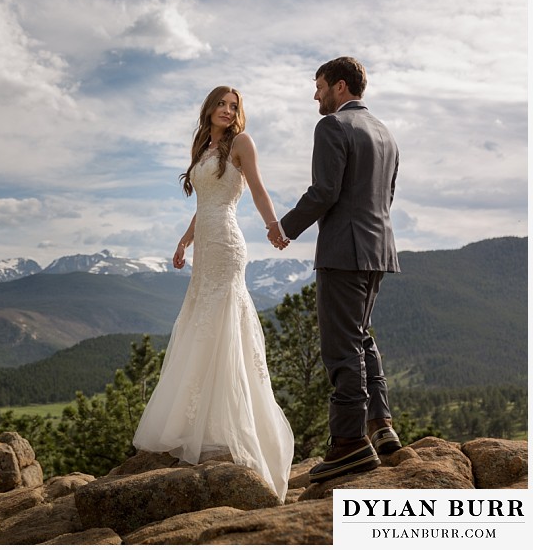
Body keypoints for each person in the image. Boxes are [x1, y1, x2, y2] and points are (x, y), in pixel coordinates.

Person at [133, 85, 294, 501]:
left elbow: (257, 188)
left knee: (221, 323)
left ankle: (234, 429)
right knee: (200, 323)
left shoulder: (242, 142)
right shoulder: (205, 146)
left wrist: (273, 225)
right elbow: (203, 203)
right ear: (208, 109)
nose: (226, 110)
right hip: (204, 242)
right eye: (221, 104)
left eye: (233, 106)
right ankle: (199, 424)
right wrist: (184, 241)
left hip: (225, 242)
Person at [268, 56, 402, 483]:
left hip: (344, 252)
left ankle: (349, 446)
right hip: (379, 250)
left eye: (320, 86)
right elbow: (386, 197)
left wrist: (284, 228)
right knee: (360, 337)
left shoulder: (332, 127)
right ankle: (380, 426)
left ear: (340, 87)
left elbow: (325, 191)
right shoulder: (386, 134)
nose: (316, 94)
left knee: (341, 348)